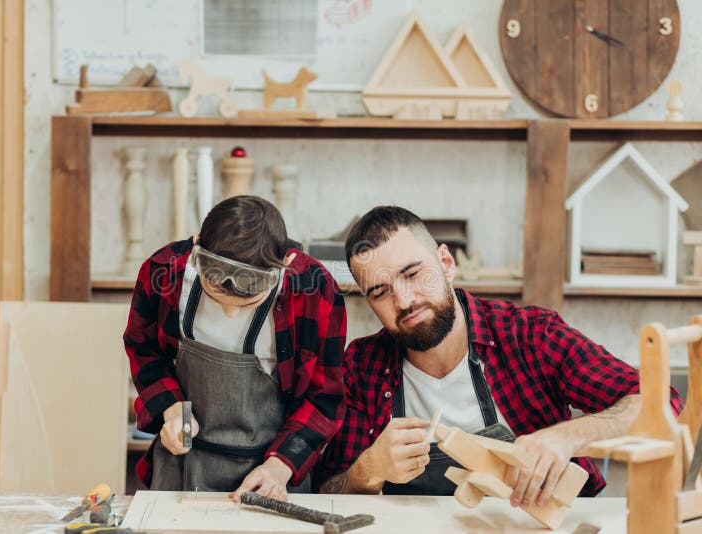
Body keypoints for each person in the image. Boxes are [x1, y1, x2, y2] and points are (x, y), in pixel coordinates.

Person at [315, 206, 682, 508]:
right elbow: (324, 494)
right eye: (381, 292)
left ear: (445, 263)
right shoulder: (361, 366)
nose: (405, 300)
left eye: (413, 274)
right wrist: (366, 472)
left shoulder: (529, 335)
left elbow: (660, 403)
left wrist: (567, 437)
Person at [124, 195, 346, 501]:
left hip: (271, 474)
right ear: (197, 244)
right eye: (216, 293)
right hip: (182, 466)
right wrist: (173, 410)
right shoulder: (165, 271)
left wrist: (281, 465)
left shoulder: (314, 290)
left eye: (247, 302)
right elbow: (143, 349)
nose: (229, 312)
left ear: (285, 265)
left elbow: (324, 399)